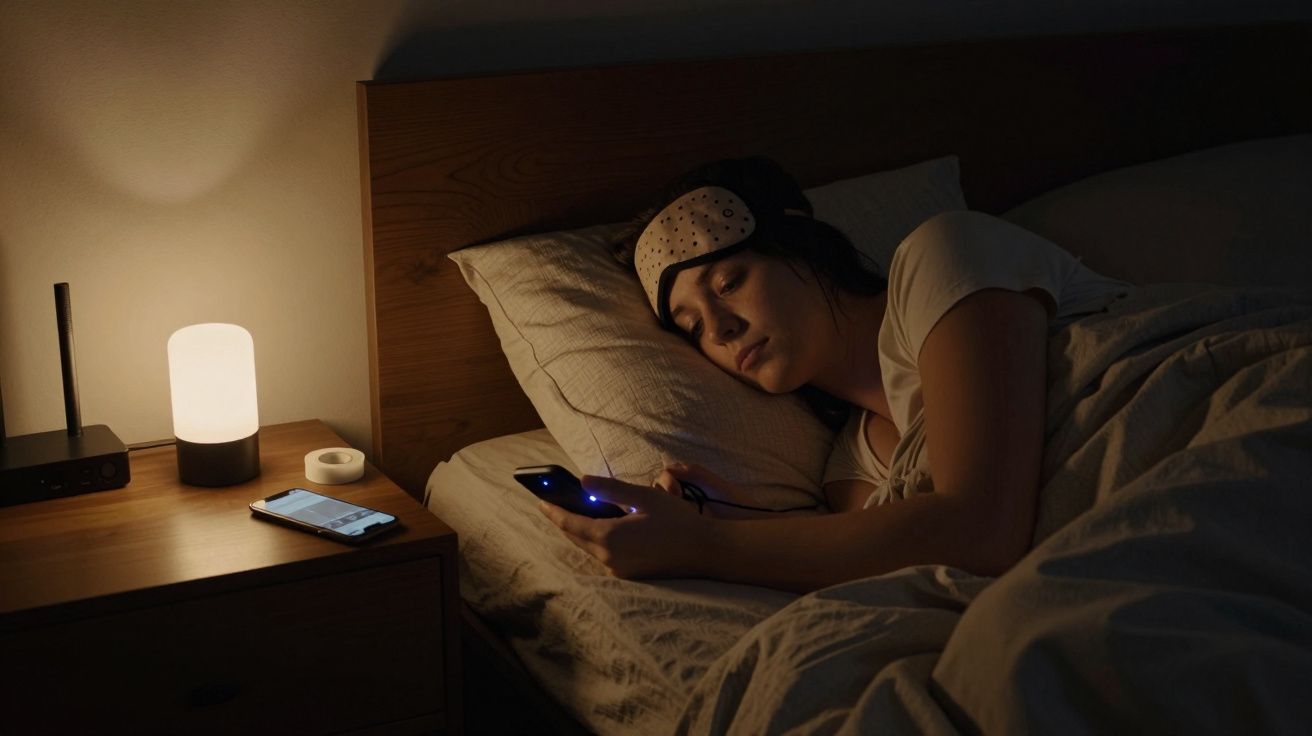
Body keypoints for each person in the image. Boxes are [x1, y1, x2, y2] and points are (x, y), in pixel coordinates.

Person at [537, 157, 1130, 594]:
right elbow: (902, 555)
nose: (718, 330)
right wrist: (728, 518)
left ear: (804, 248)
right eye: (692, 326)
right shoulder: (851, 472)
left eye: (729, 283)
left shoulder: (944, 255)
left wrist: (706, 543)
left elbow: (980, 528)